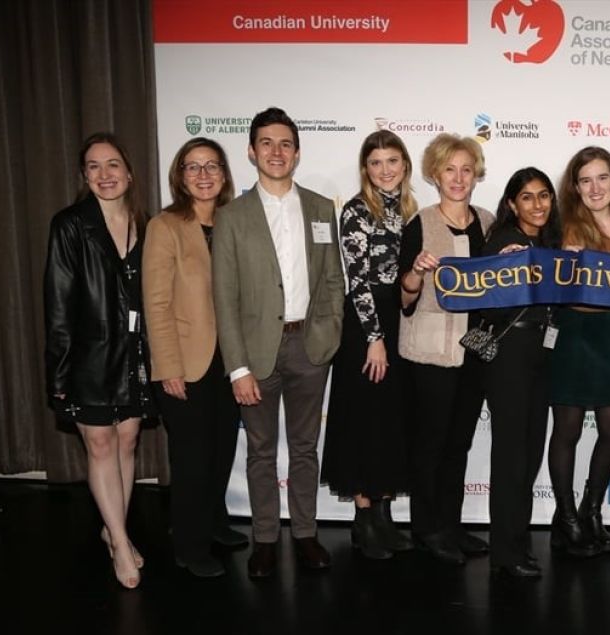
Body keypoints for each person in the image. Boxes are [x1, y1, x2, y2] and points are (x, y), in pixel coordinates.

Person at [211, 107, 345, 580]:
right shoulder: (231, 217)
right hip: (255, 353)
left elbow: (332, 280)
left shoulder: (319, 207)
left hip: (309, 348)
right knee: (262, 450)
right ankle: (265, 539)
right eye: (266, 143)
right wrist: (238, 367)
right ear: (251, 151)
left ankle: (306, 533)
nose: (276, 151)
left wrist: (329, 334)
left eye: (285, 143)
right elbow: (223, 298)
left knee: (306, 447)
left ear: (297, 152)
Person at [44, 132, 155, 589]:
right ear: (83, 176)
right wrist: (60, 371)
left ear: (129, 173)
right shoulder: (70, 224)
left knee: (127, 441)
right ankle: (122, 547)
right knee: (100, 446)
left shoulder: (147, 224)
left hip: (134, 354)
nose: (105, 175)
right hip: (88, 356)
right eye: (94, 166)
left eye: (113, 165)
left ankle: (115, 530)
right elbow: (58, 302)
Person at [143, 137, 246, 579]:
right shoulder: (165, 227)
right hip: (186, 362)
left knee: (223, 449)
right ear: (180, 176)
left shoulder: (235, 222)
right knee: (192, 458)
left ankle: (215, 522)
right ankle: (188, 543)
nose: (203, 175)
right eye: (193, 167)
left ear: (224, 174)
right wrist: (167, 368)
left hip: (231, 360)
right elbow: (156, 304)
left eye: (212, 166)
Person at [321, 130, 418, 560]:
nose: (385, 170)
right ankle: (364, 522)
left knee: (389, 421)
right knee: (363, 420)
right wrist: (374, 340)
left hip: (399, 320)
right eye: (376, 163)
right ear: (366, 168)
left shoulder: (410, 210)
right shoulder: (358, 211)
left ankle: (384, 516)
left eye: (392, 161)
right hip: (366, 325)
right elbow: (357, 281)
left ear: (405, 165)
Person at [397, 133, 493, 566]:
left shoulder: (489, 223)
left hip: (475, 353)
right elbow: (404, 298)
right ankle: (426, 529)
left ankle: (450, 526)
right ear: (435, 175)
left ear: (476, 176)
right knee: (430, 444)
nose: (458, 178)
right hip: (431, 354)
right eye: (449, 170)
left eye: (466, 170)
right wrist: (416, 272)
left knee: (459, 445)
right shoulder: (419, 224)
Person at [548, 146, 610, 559]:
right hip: (570, 329)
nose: (595, 187)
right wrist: (558, 264)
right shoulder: (562, 224)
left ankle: (591, 510)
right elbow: (539, 279)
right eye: (585, 180)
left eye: (602, 177)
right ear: (575, 186)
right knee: (566, 430)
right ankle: (565, 517)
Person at [475, 167, 563, 581]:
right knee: (511, 455)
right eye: (527, 197)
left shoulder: (548, 242)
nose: (538, 204)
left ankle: (517, 541)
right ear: (512, 204)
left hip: (541, 354)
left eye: (544, 195)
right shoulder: (503, 243)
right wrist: (502, 267)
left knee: (528, 454)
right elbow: (484, 298)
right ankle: (505, 551)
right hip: (510, 354)